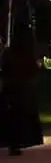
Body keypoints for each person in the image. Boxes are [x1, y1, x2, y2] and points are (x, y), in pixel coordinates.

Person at [0, 25, 44, 156]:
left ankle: (13, 143)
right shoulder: (26, 54)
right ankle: (16, 144)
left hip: (13, 88)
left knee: (12, 117)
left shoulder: (11, 53)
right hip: (20, 89)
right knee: (18, 117)